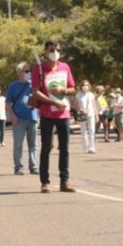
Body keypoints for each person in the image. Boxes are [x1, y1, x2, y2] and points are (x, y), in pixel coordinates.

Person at [32, 41, 76, 192]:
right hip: (47, 113)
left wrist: (63, 90)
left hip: (63, 113)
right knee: (46, 147)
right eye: (51, 49)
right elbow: (35, 92)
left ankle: (65, 181)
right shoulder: (39, 69)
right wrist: (52, 101)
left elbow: (72, 88)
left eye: (57, 49)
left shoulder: (65, 67)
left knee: (64, 148)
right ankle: (45, 182)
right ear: (45, 51)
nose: (54, 52)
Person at [5, 63, 38, 175]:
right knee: (18, 144)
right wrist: (12, 115)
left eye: (29, 70)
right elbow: (8, 103)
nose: (29, 73)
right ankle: (18, 167)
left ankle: (33, 166)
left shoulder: (34, 85)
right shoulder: (13, 86)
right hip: (18, 119)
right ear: (19, 73)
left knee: (33, 144)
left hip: (32, 117)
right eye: (26, 71)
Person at [75, 80, 98, 154]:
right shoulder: (78, 95)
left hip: (91, 114)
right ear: (81, 86)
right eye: (83, 85)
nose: (85, 86)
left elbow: (94, 105)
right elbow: (75, 105)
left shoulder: (91, 94)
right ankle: (85, 148)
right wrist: (80, 109)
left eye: (87, 85)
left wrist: (96, 115)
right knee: (83, 131)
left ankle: (92, 148)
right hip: (82, 114)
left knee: (92, 130)